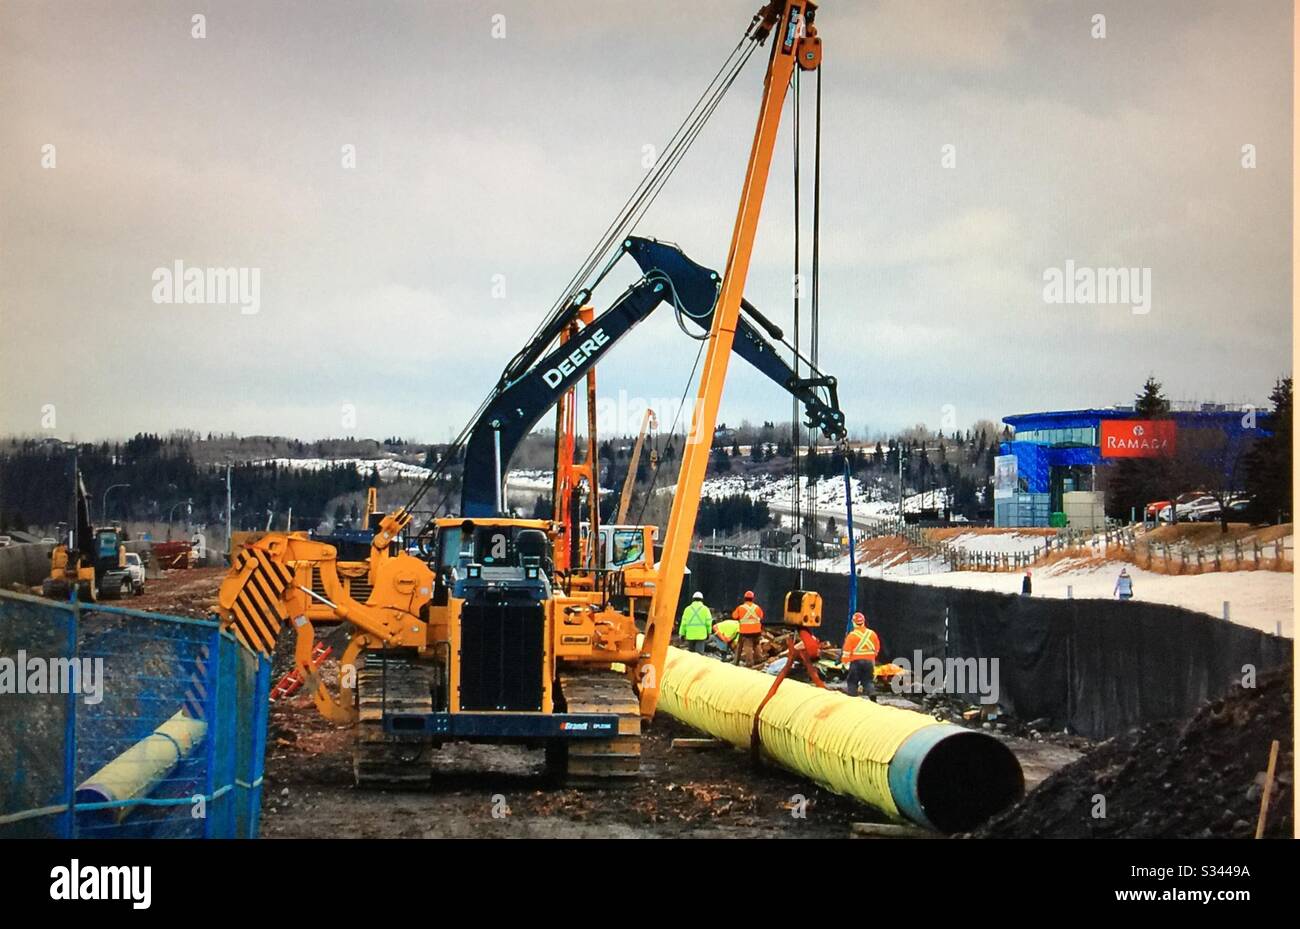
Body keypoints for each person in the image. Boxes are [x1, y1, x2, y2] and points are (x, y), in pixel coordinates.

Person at [841, 611, 881, 699]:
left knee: (852, 681)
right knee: (867, 681)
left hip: (856, 662)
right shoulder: (872, 633)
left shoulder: (851, 636)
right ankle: (872, 693)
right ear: (863, 621)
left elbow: (846, 652)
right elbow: (877, 647)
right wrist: (872, 657)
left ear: (853, 623)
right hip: (869, 662)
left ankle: (853, 699)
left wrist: (845, 663)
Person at [731, 590, 764, 665]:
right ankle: (759, 659)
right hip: (757, 631)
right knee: (756, 644)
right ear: (753, 598)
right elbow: (761, 616)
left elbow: (734, 616)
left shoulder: (741, 608)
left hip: (746, 632)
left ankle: (749, 662)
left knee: (748, 646)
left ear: (744, 598)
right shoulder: (757, 607)